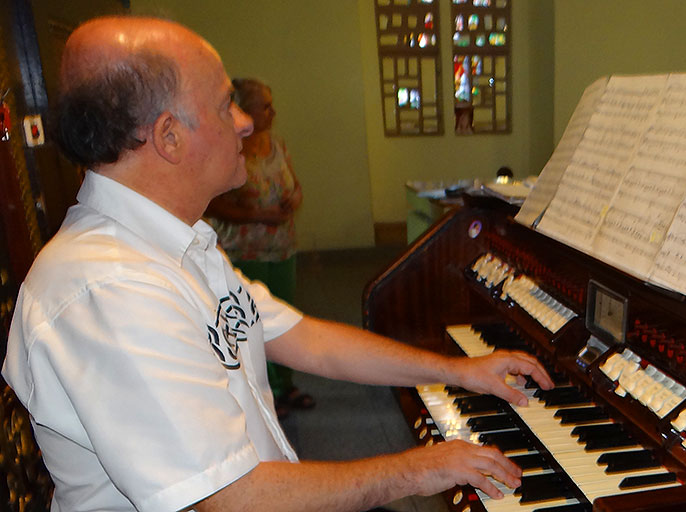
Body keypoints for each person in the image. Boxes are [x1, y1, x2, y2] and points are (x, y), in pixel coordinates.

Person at [1, 16, 553, 512]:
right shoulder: (109, 288)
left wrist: (457, 370)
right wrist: (419, 469)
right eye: (225, 105)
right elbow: (231, 498)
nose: (245, 121)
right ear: (169, 136)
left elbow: (309, 340)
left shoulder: (182, 244)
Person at [205, 77, 310, 420]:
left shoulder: (276, 145)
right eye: (265, 106)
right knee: (253, 323)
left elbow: (294, 185)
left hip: (281, 247)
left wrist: (294, 199)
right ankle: (268, 392)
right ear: (245, 111)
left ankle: (287, 384)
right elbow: (214, 205)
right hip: (245, 251)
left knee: (286, 313)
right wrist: (259, 215)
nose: (272, 112)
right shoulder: (227, 149)